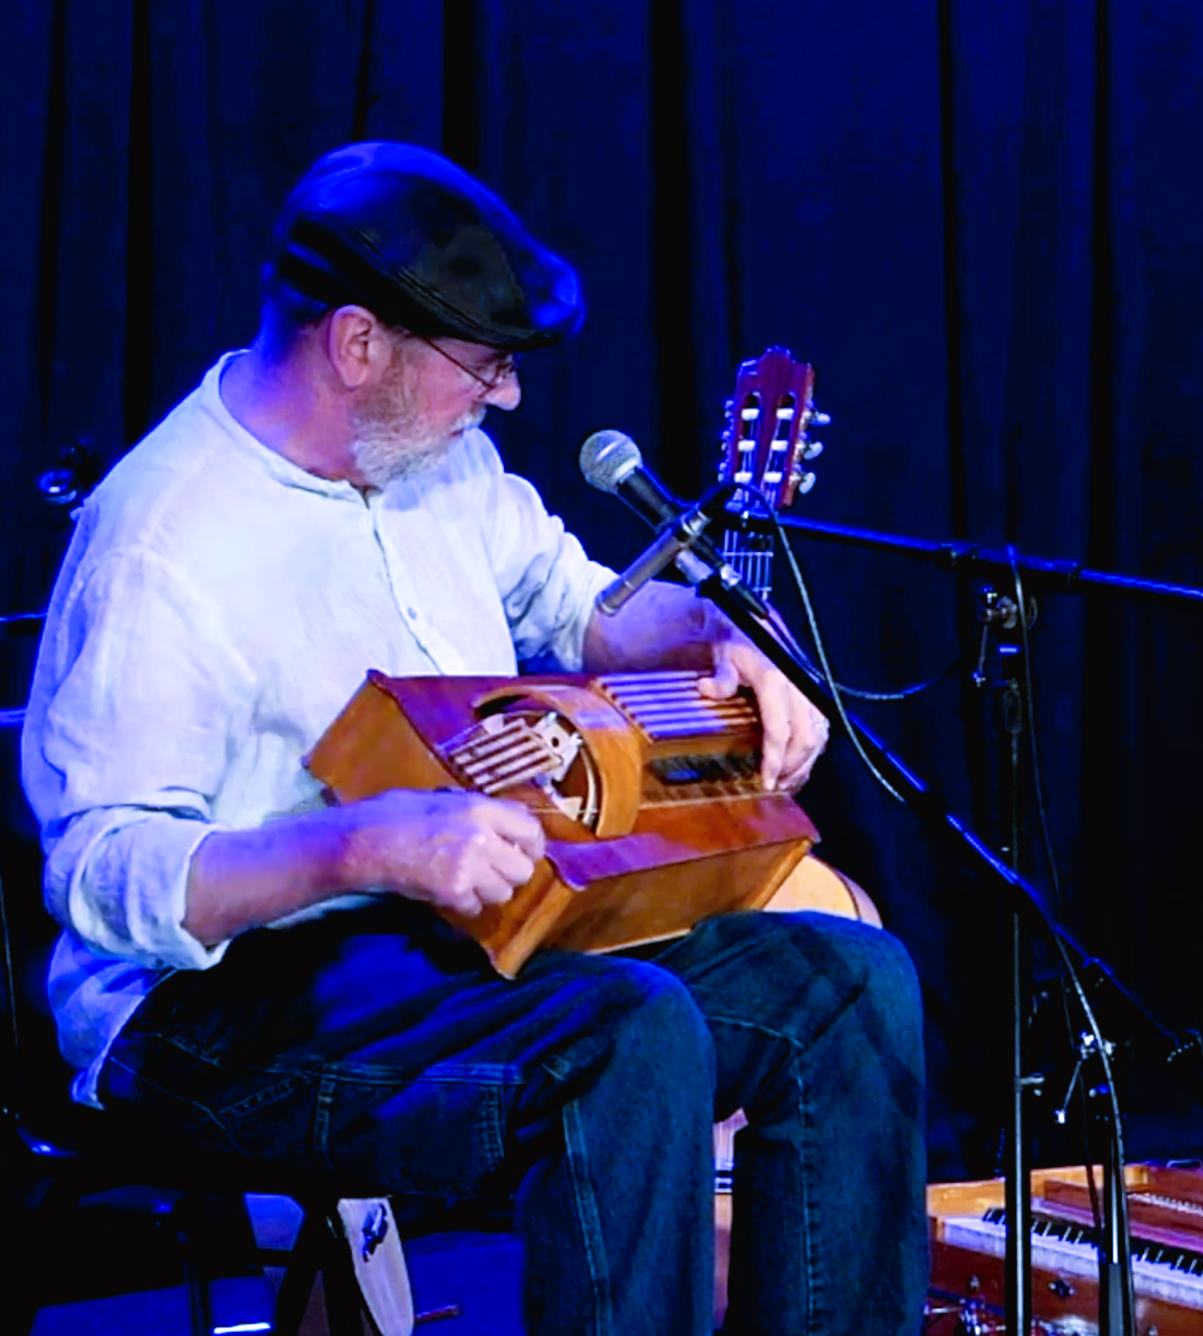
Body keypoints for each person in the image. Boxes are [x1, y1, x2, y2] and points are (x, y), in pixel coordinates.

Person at [19, 142, 927, 1336]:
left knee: (846, 983)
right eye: (484, 365)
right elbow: (104, 874)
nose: (506, 398)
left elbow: (580, 608)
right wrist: (366, 844)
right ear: (357, 344)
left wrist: (719, 639)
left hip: (443, 948)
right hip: (205, 1014)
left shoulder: (439, 468)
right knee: (625, 1036)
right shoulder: (163, 543)